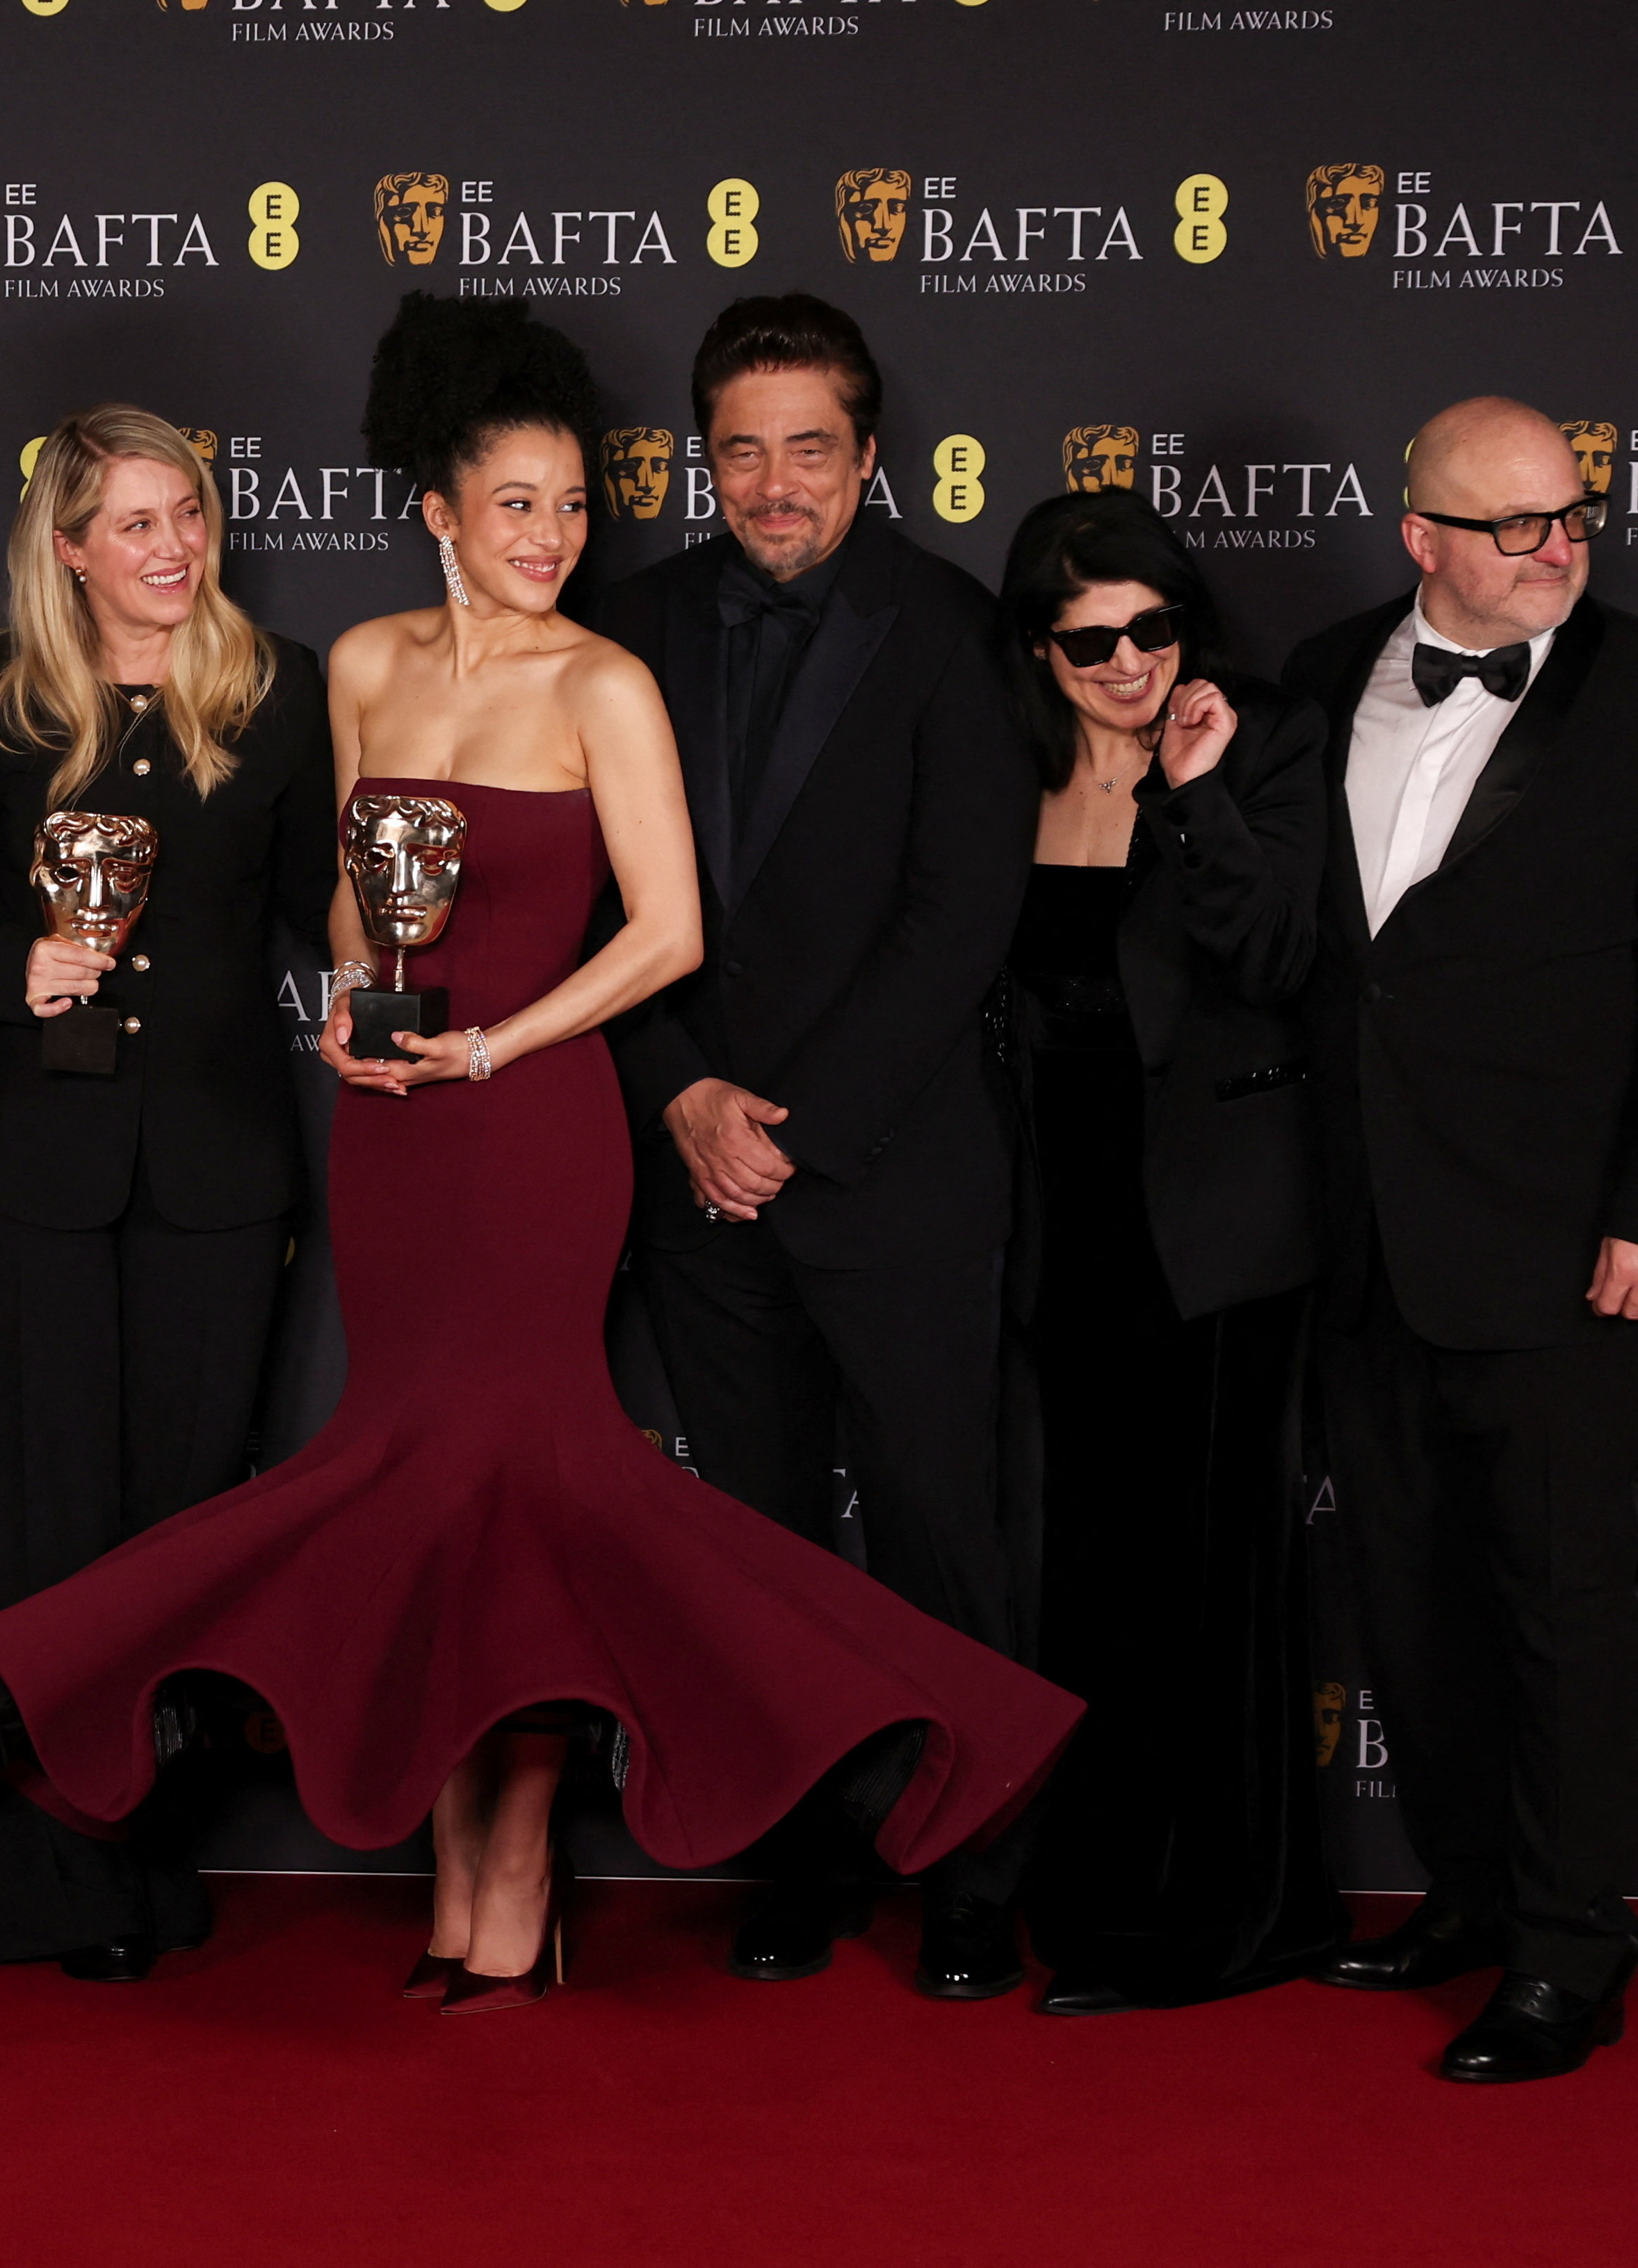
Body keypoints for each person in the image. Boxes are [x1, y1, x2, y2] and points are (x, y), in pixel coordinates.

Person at [0, 295, 1078, 2015]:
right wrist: (354, 1001)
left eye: (573, 505)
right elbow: (343, 893)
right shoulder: (358, 666)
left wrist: (498, 1045)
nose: (551, 535)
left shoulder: (608, 677)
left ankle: (577, 1852)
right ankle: (457, 1871)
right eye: (516, 504)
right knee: (421, 1501)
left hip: (531, 1127)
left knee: (533, 1498)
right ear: (439, 513)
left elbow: (664, 933)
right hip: (394, 1137)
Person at [1289, 397, 1638, 2082]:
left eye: (1571, 512)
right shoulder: (1314, 681)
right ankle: (1467, 1893)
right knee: (1409, 1603)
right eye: (1512, 524)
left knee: (1567, 1609)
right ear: (1416, 535)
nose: (1557, 543)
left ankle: (1571, 1950)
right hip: (1361, 1243)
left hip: (1574, 1252)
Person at [587, 295, 1046, 1998]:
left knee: (944, 1531)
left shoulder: (952, 629)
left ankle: (980, 1864)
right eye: (739, 448)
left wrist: (798, 1127)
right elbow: (580, 907)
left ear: (869, 454)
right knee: (758, 1540)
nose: (772, 484)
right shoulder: (621, 626)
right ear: (699, 457)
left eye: (807, 447)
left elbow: (959, 918)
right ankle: (805, 1853)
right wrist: (685, 1094)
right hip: (692, 1168)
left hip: (897, 1170)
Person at [0, 406, 335, 1982]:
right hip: (23, 1168)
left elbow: (333, 919)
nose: (174, 548)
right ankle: (32, 1879)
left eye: (192, 516)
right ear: (71, 547)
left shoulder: (280, 690)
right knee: (32, 1529)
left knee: (174, 1531)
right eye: (139, 523)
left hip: (218, 1174)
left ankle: (142, 1857)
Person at [985, 488, 1344, 2016]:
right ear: (1039, 647)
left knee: (1214, 1575)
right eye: (1091, 640)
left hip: (1210, 1223)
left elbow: (1274, 948)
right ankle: (1098, 1890)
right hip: (1060, 1221)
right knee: (1091, 1569)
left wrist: (1188, 789)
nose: (1130, 661)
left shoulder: (1251, 733)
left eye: (1152, 625)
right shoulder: (1007, 763)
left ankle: (1226, 1916)